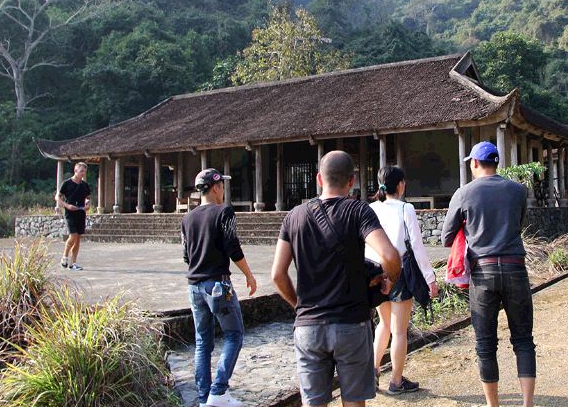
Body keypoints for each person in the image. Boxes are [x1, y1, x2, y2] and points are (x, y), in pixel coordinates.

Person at [271, 150, 401, 407]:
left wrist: (299, 306)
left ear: (319, 178)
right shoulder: (357, 211)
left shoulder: (294, 216)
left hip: (309, 328)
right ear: (352, 181)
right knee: (353, 401)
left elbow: (277, 275)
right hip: (351, 324)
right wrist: (390, 280)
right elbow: (389, 256)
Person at [441, 141, 536, 407]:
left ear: (474, 163)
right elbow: (519, 224)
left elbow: (447, 237)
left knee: (485, 343)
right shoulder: (518, 191)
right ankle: (527, 404)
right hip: (516, 268)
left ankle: (493, 405)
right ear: (496, 163)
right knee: (524, 339)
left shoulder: (463, 193)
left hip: (482, 274)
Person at [181, 168, 258, 407]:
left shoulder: (187, 218)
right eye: (222, 185)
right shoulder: (224, 211)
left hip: (194, 285)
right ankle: (219, 390)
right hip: (217, 284)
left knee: (203, 342)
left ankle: (205, 398)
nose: (223, 189)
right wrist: (249, 275)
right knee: (234, 334)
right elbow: (232, 246)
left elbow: (186, 256)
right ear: (215, 187)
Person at [367, 165, 438, 394]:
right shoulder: (405, 209)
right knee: (398, 331)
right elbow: (417, 247)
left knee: (383, 325)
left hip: (377, 273)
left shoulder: (371, 209)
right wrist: (430, 277)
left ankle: (373, 372)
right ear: (400, 185)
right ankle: (396, 381)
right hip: (399, 273)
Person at [55, 161, 91, 271]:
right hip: (70, 213)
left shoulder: (85, 185)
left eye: (84, 172)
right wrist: (67, 205)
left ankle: (73, 263)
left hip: (81, 212)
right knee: (73, 235)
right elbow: (57, 197)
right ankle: (64, 257)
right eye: (81, 171)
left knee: (78, 238)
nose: (83, 174)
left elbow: (89, 197)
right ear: (75, 171)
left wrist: (87, 205)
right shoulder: (66, 183)